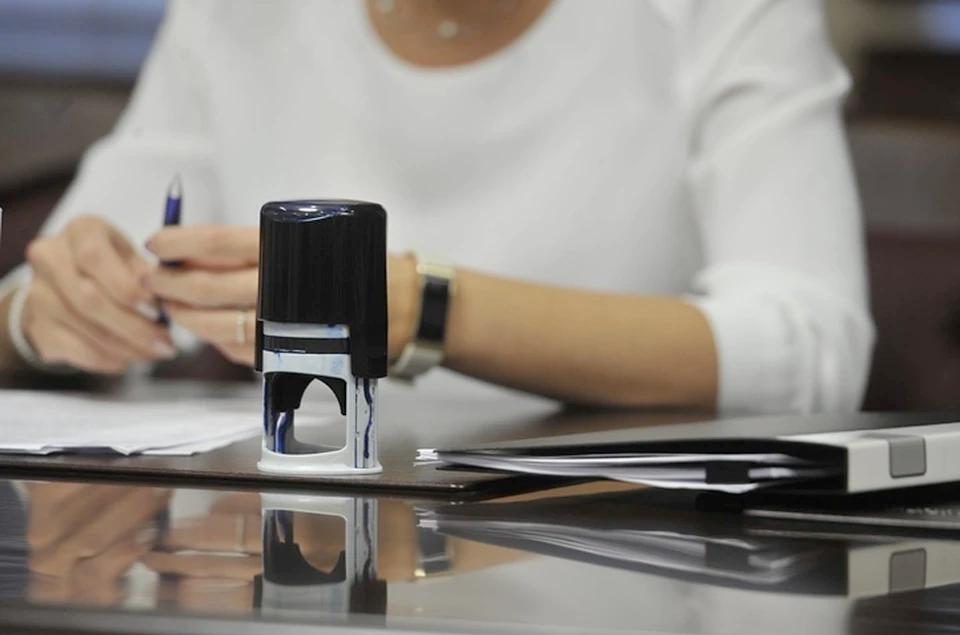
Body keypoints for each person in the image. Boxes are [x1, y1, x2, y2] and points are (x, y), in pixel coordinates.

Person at [0, 0, 874, 415]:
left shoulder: (719, 14)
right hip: (290, 543)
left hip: (617, 547)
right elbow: (47, 288)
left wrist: (423, 309)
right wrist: (43, 317)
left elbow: (812, 345)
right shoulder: (235, 16)